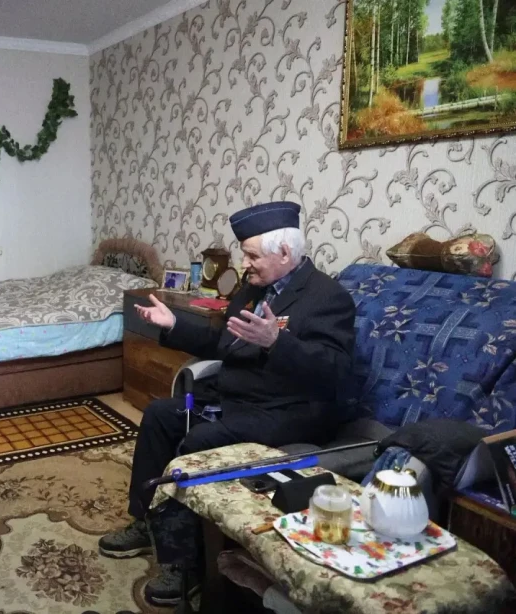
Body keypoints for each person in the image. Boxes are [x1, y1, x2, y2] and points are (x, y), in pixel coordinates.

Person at [98, 201, 357, 606]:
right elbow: (223, 344)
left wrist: (277, 342)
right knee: (161, 415)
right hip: (236, 399)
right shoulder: (253, 289)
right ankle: (145, 518)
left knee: (198, 441)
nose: (244, 264)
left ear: (284, 253)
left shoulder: (328, 297)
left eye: (251, 255)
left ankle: (186, 562)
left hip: (288, 412)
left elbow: (335, 373)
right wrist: (174, 324)